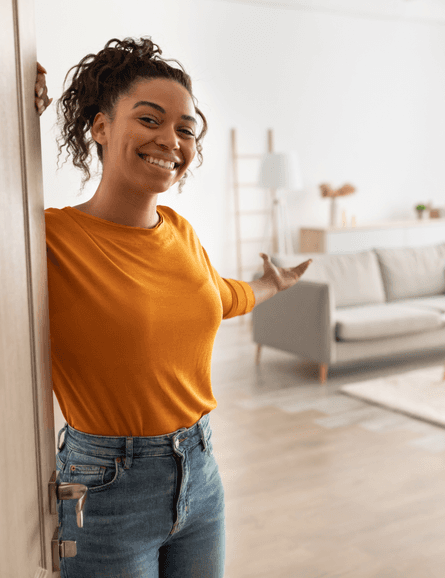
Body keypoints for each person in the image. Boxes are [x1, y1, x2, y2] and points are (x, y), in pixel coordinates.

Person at [34, 37, 311, 578]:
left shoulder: (180, 233)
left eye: (186, 129)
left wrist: (270, 285)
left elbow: (215, 298)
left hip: (201, 472)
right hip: (105, 489)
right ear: (101, 127)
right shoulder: (50, 238)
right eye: (150, 119)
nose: (171, 139)